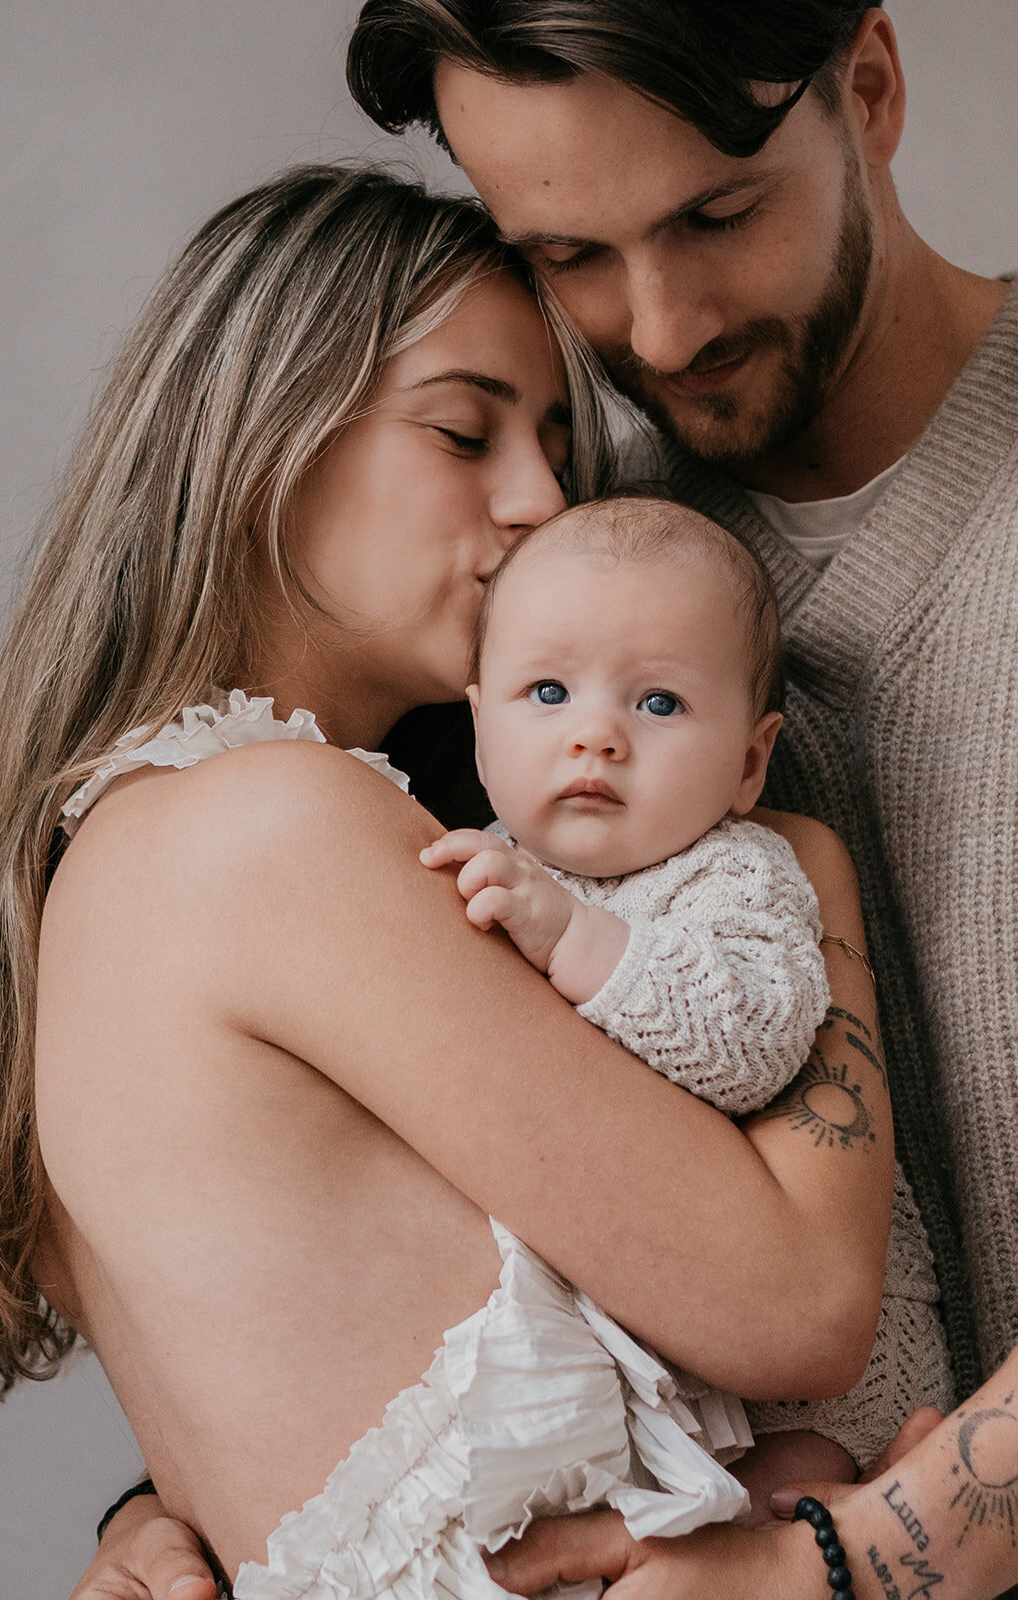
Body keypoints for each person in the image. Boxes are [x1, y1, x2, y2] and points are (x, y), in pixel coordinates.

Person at [0, 166, 883, 1600]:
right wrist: (798, 868)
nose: (536, 503)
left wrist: (135, 1519)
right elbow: (800, 1308)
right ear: (260, 438)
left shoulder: (114, 843)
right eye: (464, 431)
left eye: (557, 447)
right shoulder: (274, 830)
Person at [339, 2, 1018, 1597]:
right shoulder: (539, 558)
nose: (652, 327)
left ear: (866, 84)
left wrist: (846, 1567)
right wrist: (202, 1495)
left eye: (714, 215)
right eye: (566, 256)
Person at [422, 492, 952, 1514]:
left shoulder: (737, 875)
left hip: (811, 1409)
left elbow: (749, 1040)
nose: (595, 737)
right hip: (655, 1353)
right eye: (545, 691)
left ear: (748, 763)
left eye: (656, 703)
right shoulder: (486, 866)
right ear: (476, 712)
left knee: (775, 1503)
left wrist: (573, 939)